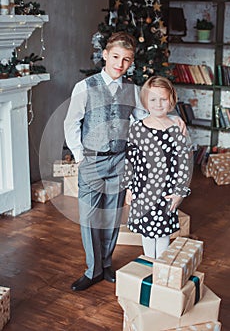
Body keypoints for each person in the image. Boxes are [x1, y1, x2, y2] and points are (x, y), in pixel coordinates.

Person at [64, 32, 185, 291]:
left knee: (111, 216)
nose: (120, 64)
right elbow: (71, 122)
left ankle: (106, 265)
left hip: (120, 160)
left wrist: (175, 119)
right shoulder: (85, 87)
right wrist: (80, 156)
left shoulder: (132, 90)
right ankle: (92, 269)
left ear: (131, 63)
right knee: (90, 218)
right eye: (116, 57)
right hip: (93, 161)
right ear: (105, 55)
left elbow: (149, 117)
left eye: (126, 60)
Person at [123, 76, 192, 259]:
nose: (158, 104)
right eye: (153, 99)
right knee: (146, 231)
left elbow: (183, 164)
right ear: (145, 101)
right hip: (142, 189)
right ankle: (149, 263)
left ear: (171, 100)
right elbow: (130, 160)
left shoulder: (176, 129)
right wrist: (129, 187)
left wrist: (179, 192)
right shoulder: (137, 129)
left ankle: (160, 267)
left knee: (162, 232)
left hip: (166, 191)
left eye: (163, 99)